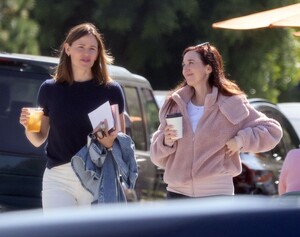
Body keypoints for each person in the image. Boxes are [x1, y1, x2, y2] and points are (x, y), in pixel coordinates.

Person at [150, 42, 283, 199]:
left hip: (217, 194)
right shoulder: (175, 103)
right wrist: (165, 141)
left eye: (191, 63)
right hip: (177, 194)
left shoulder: (230, 103)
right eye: (184, 64)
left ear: (208, 68)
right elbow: (156, 157)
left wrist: (241, 140)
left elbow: (272, 131)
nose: (185, 68)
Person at [19, 22, 126, 210]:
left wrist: (108, 142)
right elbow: (38, 139)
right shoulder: (50, 89)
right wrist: (29, 127)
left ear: (98, 53)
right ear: (67, 49)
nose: (86, 53)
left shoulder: (111, 90)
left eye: (92, 48)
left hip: (96, 176)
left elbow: (121, 142)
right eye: (81, 47)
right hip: (58, 177)